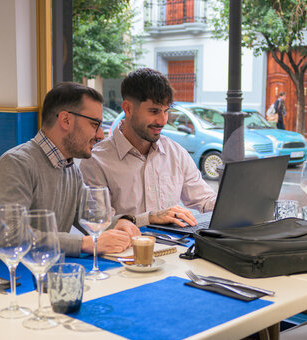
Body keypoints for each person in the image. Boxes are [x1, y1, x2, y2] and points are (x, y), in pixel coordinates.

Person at [0, 82, 140, 269]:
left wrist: (120, 223)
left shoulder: (70, 168)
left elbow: (91, 218)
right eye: (94, 124)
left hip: (33, 270)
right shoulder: (16, 163)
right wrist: (84, 243)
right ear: (66, 120)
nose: (100, 135)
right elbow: (10, 236)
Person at [79, 68, 217, 228]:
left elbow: (205, 199)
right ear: (128, 109)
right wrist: (149, 218)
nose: (162, 120)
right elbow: (99, 224)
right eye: (154, 111)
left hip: (175, 249)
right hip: (124, 251)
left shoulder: (176, 153)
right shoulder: (96, 161)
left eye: (166, 111)